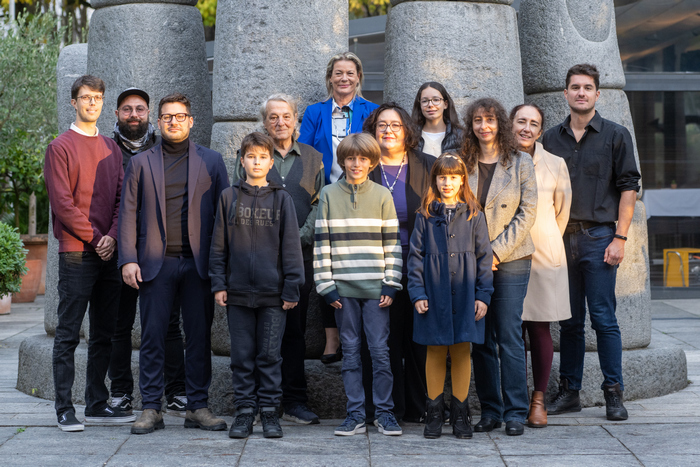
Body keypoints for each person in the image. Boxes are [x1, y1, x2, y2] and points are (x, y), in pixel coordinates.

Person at [119, 92, 230, 434]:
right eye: (167, 116)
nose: (173, 122)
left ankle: (197, 406)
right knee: (152, 337)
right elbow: (128, 214)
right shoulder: (141, 163)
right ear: (159, 121)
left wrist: (222, 265)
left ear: (190, 121)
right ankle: (151, 408)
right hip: (155, 263)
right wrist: (128, 259)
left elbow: (225, 218)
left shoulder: (212, 161)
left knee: (198, 337)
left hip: (199, 264)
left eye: (180, 116)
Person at [543, 64, 640, 421]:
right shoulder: (550, 139)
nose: (581, 93)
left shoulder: (615, 135)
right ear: (565, 93)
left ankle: (613, 393)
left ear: (597, 94)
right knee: (569, 322)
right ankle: (570, 392)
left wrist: (620, 237)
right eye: (575, 87)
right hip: (559, 240)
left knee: (603, 318)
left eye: (587, 87)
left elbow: (629, 188)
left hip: (599, 238)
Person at [44, 75, 134, 432]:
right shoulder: (59, 147)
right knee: (68, 333)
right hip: (77, 253)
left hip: (108, 252)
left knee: (104, 333)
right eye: (85, 97)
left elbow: (122, 199)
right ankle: (65, 409)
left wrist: (111, 236)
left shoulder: (112, 149)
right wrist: (98, 238)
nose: (92, 103)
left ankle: (96, 403)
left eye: (97, 97)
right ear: (74, 102)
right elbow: (63, 205)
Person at [230, 94, 324, 425]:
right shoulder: (252, 157)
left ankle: (294, 400)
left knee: (294, 332)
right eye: (273, 117)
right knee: (256, 338)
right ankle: (255, 404)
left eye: (286, 116)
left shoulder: (313, 158)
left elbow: (319, 203)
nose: (280, 122)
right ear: (264, 121)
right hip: (257, 263)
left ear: (296, 120)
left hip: (298, 260)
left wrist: (296, 238)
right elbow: (238, 200)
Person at [210, 132, 305, 439]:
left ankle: (269, 411)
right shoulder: (229, 197)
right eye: (251, 157)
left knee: (269, 356)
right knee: (242, 357)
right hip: (237, 294)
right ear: (242, 161)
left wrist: (292, 287)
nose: (257, 162)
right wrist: (219, 283)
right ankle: (244, 411)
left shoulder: (282, 199)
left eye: (263, 157)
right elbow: (218, 246)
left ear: (271, 162)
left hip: (273, 295)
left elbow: (291, 247)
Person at [314, 133, 403, 436]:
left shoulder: (382, 195)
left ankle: (384, 413)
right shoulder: (328, 194)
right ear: (342, 161)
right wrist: (326, 285)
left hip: (377, 290)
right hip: (342, 291)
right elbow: (321, 244)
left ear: (372, 162)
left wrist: (391, 283)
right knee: (350, 353)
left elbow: (392, 244)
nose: (356, 164)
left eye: (363, 158)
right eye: (351, 158)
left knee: (380, 352)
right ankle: (355, 414)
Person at [108, 87, 187, 415]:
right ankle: (121, 392)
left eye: (140, 109)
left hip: (159, 251)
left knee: (169, 324)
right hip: (123, 250)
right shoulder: (107, 150)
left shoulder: (162, 147)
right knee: (120, 324)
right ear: (117, 114)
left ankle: (177, 391)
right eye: (127, 109)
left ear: (149, 114)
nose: (134, 115)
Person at [463, 97, 537, 437]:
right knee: (481, 339)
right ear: (471, 125)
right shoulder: (462, 161)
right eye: (478, 120)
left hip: (512, 258)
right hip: (470, 258)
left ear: (500, 124)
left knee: (508, 335)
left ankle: (516, 411)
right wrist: (478, 254)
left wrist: (495, 252)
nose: (484, 126)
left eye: (490, 119)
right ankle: (490, 410)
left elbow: (528, 211)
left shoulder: (521, 161)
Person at [407, 154, 494, 439]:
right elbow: (415, 257)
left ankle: (460, 414)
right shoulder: (424, 215)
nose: (448, 182)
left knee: (461, 350)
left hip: (466, 295)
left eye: (454, 177)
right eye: (442, 177)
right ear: (434, 180)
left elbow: (484, 258)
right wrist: (417, 292)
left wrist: (483, 295)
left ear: (462, 180)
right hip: (433, 294)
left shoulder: (474, 214)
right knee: (434, 349)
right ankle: (434, 413)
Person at [299, 52, 379, 363]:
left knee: (357, 262)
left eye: (350, 73)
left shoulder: (371, 111)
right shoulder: (315, 112)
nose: (344, 78)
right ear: (330, 78)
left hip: (361, 195)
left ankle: (358, 336)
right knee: (328, 265)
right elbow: (306, 153)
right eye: (338, 73)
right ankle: (332, 339)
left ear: (358, 78)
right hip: (326, 196)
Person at [362, 102, 435, 423]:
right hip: (376, 267)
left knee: (420, 339)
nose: (388, 130)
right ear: (373, 130)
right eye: (382, 125)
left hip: (421, 266)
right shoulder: (364, 166)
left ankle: (420, 408)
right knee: (382, 341)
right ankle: (385, 408)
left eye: (395, 125)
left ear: (407, 131)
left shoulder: (428, 165)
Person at [510, 103, 572, 427]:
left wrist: (545, 238)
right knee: (510, 329)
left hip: (543, 255)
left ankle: (538, 400)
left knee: (539, 327)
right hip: (506, 253)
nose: (527, 128)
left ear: (541, 130)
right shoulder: (498, 159)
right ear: (510, 125)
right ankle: (516, 400)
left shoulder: (555, 163)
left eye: (534, 123)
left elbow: (562, 212)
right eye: (521, 121)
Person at [411, 82, 463, 158]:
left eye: (436, 100)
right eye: (425, 101)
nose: (430, 105)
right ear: (420, 105)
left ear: (445, 104)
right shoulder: (410, 135)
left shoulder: (460, 135)